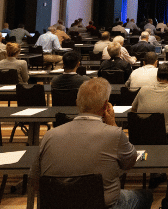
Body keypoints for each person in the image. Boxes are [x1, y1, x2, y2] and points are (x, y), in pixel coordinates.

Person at [32, 77, 153, 209]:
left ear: (77, 102)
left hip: (58, 205)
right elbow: (130, 162)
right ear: (106, 105)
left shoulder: (49, 135)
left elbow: (35, 179)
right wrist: (112, 124)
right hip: (103, 205)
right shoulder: (114, 134)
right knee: (145, 195)